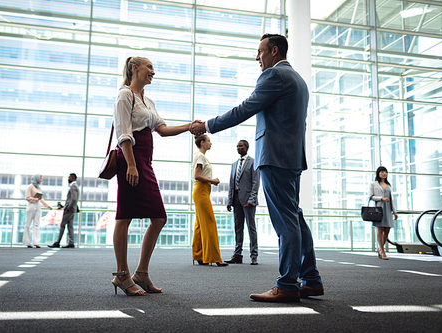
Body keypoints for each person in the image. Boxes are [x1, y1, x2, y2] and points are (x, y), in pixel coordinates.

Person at [190, 33, 323, 302]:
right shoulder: (299, 81)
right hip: (292, 158)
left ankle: (287, 284)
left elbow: (245, 108)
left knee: (286, 221)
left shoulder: (274, 76)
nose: (257, 57)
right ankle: (311, 280)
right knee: (295, 218)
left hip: (275, 157)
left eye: (260, 51)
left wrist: (207, 125)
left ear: (274, 51)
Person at [111, 56, 197, 296]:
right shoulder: (124, 95)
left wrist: (190, 126)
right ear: (134, 68)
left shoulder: (147, 100)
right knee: (124, 216)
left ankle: (142, 273)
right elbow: (123, 133)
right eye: (150, 67)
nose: (153, 72)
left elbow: (162, 129)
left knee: (159, 217)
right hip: (131, 159)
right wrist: (130, 164)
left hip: (144, 162)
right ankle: (121, 274)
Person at [191, 134, 228, 267]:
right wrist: (212, 180)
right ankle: (214, 257)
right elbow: (197, 176)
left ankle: (199, 255)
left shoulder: (200, 156)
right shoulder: (200, 156)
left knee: (200, 224)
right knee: (209, 222)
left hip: (202, 191)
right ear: (202, 143)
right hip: (201, 191)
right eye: (209, 141)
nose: (210, 143)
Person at [225, 140, 260, 265]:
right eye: (237, 146)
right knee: (238, 228)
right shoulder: (234, 164)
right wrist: (230, 201)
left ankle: (254, 255)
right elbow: (231, 184)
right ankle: (238, 254)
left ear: (247, 147)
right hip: (236, 201)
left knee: (251, 228)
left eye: (240, 146)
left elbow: (256, 183)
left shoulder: (253, 162)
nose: (238, 148)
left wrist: (252, 199)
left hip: (248, 201)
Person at [368, 166, 398, 260]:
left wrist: (395, 212)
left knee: (387, 230)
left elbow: (391, 199)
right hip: (379, 209)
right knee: (380, 229)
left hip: (388, 209)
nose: (384, 173)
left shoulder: (388, 185)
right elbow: (370, 196)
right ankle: (382, 250)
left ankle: (379, 248)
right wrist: (381, 198)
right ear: (378, 173)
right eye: (382, 172)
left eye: (385, 172)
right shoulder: (373, 184)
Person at [48, 173, 79, 249]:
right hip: (72, 209)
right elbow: (73, 199)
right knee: (70, 226)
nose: (68, 179)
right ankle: (71, 243)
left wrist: (67, 207)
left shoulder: (73, 186)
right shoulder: (75, 186)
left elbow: (74, 199)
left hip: (69, 210)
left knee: (62, 225)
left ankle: (57, 242)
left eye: (69, 177)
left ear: (72, 178)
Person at [23, 174, 52, 248]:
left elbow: (41, 199)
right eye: (40, 179)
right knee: (28, 224)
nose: (41, 180)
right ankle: (27, 242)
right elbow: (27, 197)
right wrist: (36, 199)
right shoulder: (30, 186)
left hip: (38, 206)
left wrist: (47, 206)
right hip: (31, 205)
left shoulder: (39, 188)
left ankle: (36, 242)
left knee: (36, 224)